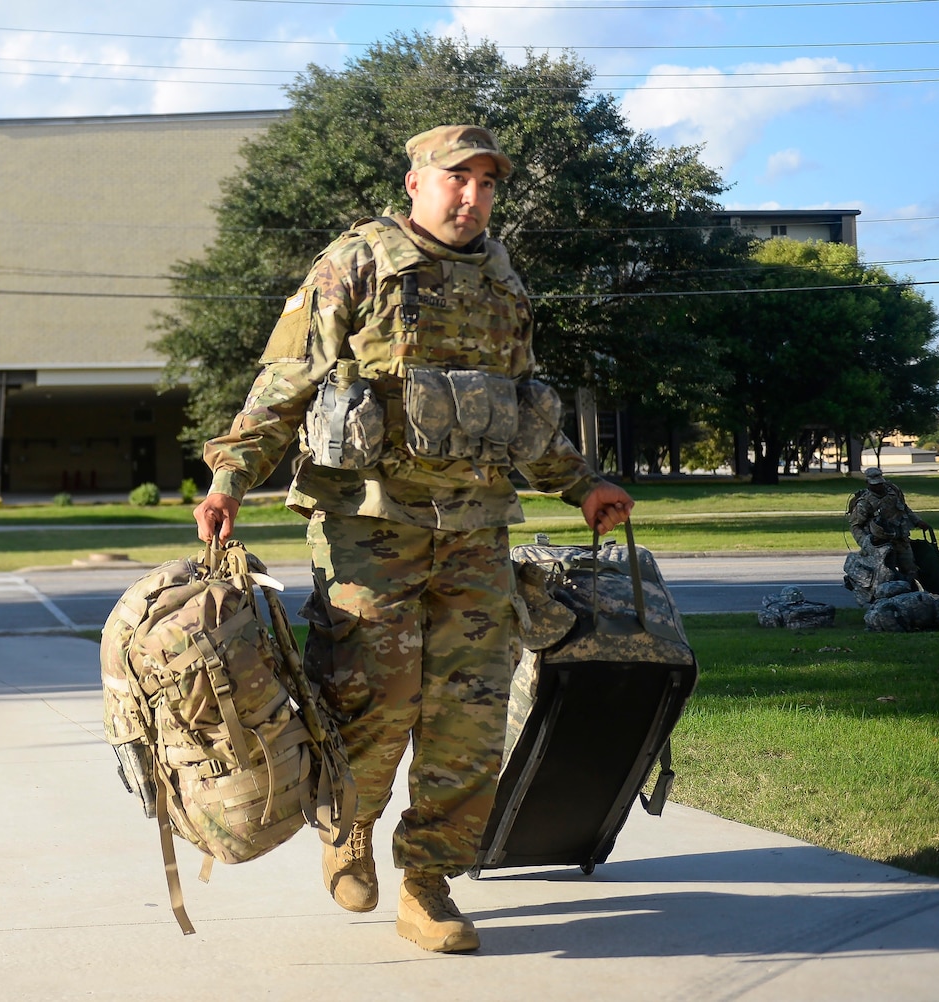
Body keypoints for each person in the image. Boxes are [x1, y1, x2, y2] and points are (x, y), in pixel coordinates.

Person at [191, 124, 632, 954]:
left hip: (475, 533)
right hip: (369, 530)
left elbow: (523, 406)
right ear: (416, 182)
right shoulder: (356, 264)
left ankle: (428, 884)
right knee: (370, 700)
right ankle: (349, 827)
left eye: (488, 184)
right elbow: (286, 385)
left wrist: (583, 483)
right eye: (458, 180)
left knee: (468, 716)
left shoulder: (503, 281)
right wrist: (229, 481)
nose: (473, 198)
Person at [848, 467, 931, 580]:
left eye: (880, 483)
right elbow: (856, 526)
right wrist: (866, 543)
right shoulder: (864, 503)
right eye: (874, 484)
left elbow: (904, 509)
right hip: (881, 545)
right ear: (867, 483)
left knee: (910, 570)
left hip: (901, 539)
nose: (878, 486)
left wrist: (917, 521)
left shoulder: (894, 492)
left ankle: (910, 592)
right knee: (887, 575)